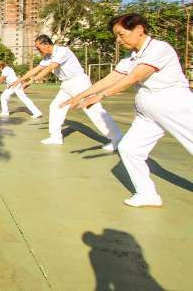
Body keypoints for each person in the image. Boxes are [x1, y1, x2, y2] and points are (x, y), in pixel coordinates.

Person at [61, 13, 193, 208]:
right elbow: (112, 77)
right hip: (148, 114)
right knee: (129, 149)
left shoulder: (159, 49)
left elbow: (134, 78)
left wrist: (101, 96)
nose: (118, 40)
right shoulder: (130, 57)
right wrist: (81, 95)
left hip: (175, 106)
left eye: (121, 34)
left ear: (139, 29)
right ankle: (147, 194)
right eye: (116, 36)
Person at [11, 35, 122, 149]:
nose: (38, 50)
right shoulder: (48, 57)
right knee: (55, 107)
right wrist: (20, 79)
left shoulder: (62, 51)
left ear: (46, 44)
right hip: (66, 84)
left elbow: (49, 68)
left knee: (92, 109)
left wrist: (32, 80)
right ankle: (56, 137)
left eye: (39, 47)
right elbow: (37, 68)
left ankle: (117, 138)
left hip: (79, 82)